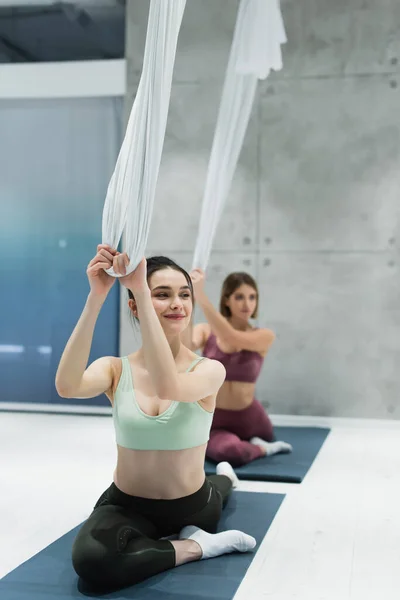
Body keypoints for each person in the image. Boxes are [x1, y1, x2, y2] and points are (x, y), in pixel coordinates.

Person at [55, 245, 255, 592]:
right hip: (128, 503)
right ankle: (197, 547)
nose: (177, 303)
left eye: (184, 294)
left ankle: (225, 479)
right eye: (161, 295)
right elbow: (67, 386)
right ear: (134, 304)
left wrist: (143, 295)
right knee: (91, 561)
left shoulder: (209, 369)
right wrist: (98, 296)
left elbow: (169, 385)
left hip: (193, 506)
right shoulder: (116, 368)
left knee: (219, 488)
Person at [190, 269, 292, 467]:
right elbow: (182, 346)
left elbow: (230, 337)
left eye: (252, 297)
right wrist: (186, 302)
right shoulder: (204, 330)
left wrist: (200, 295)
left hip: (252, 418)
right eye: (239, 297)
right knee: (230, 452)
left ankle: (260, 441)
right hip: (215, 419)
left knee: (263, 437)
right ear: (226, 300)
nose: (247, 304)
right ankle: (263, 448)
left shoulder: (264, 336)